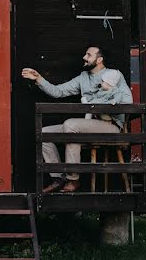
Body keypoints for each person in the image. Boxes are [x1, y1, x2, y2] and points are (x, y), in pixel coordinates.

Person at [22, 45, 133, 193]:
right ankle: (59, 178)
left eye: (88, 55)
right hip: (89, 124)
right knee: (45, 133)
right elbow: (58, 92)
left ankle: (73, 180)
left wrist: (104, 105)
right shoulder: (83, 78)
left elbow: (128, 101)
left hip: (110, 125)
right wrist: (39, 78)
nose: (84, 58)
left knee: (71, 125)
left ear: (99, 59)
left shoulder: (113, 75)